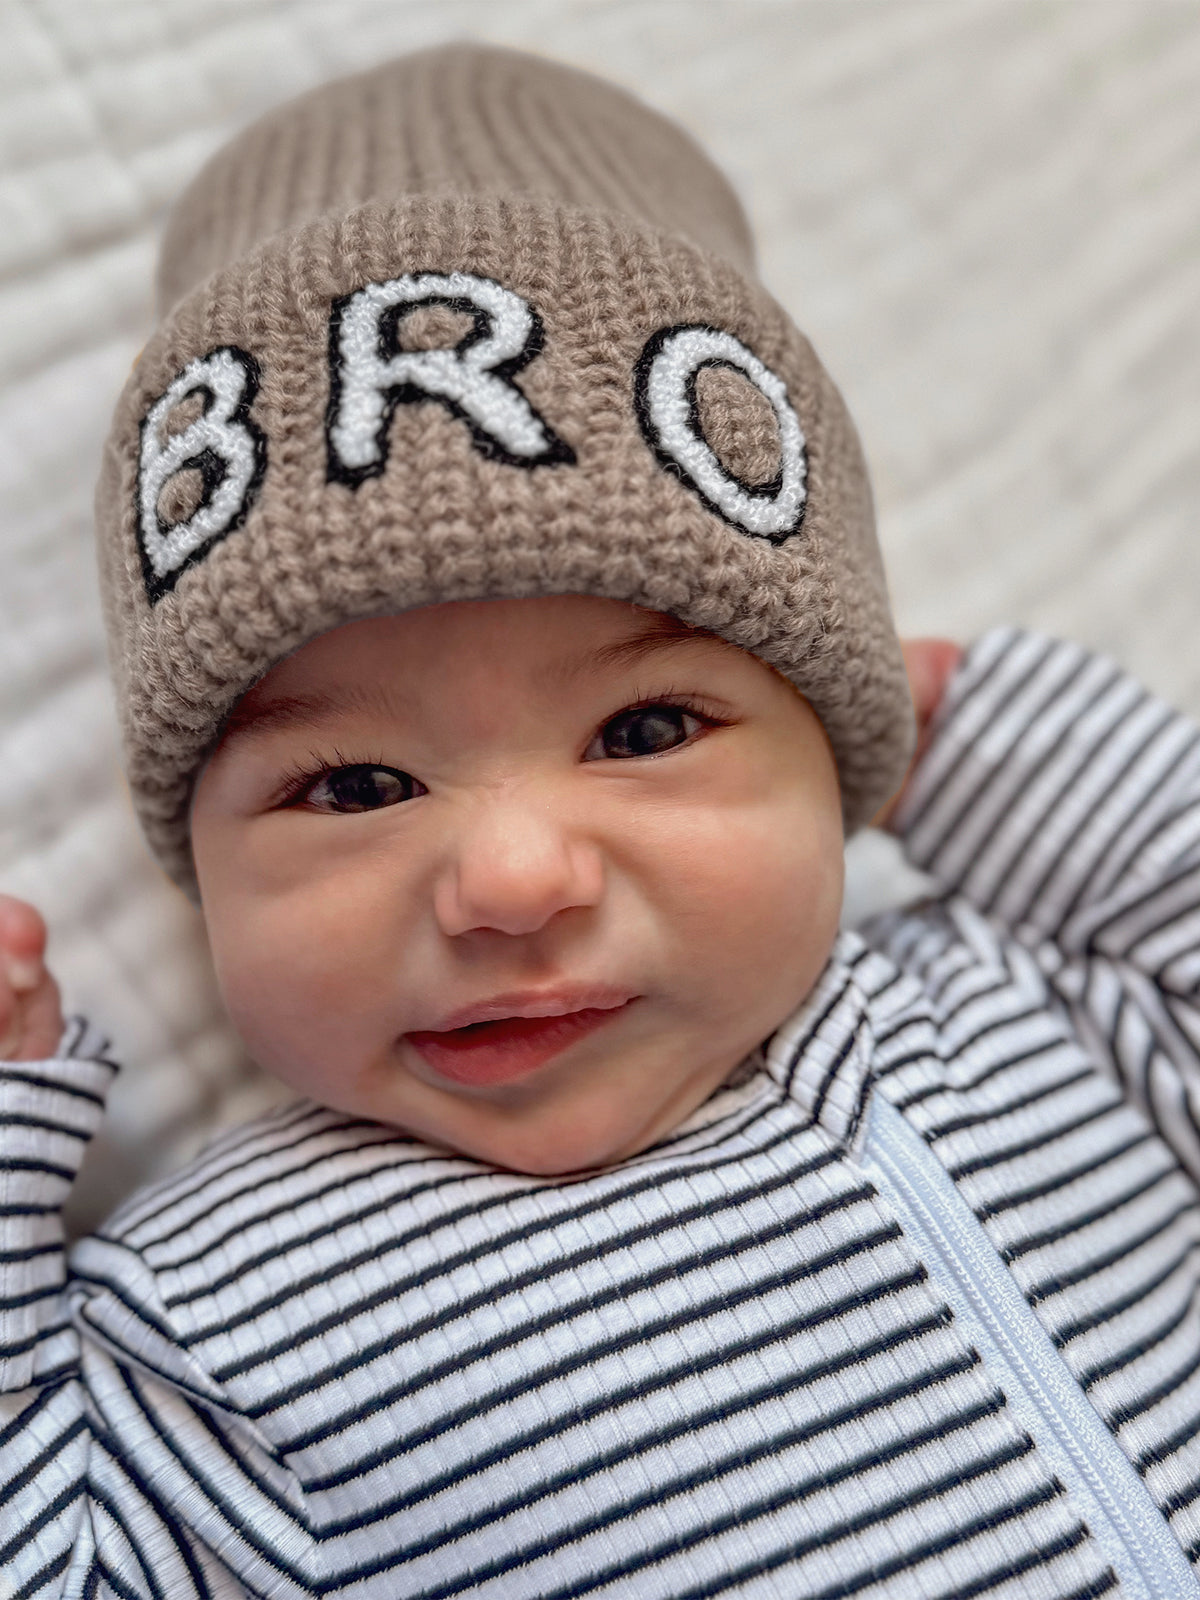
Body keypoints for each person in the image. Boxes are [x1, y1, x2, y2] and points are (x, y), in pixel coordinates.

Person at [2, 42, 1199, 1599]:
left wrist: (989, 737)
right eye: (352, 787)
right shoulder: (209, 1317)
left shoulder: (1038, 1013)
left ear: (835, 745)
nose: (509, 880)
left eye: (646, 731)